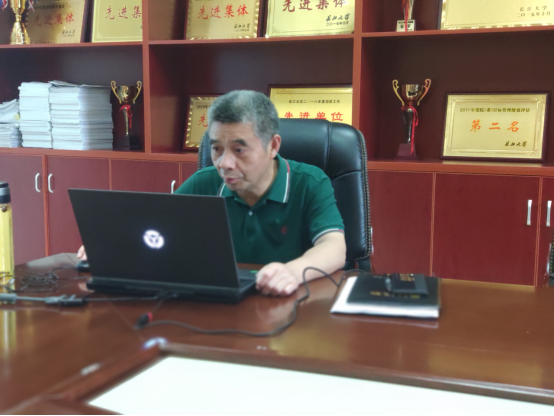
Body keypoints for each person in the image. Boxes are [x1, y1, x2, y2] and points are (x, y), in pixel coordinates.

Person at [79, 90, 346, 297]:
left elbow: (334, 246)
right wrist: (113, 246)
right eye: (217, 149)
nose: (224, 163)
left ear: (273, 146)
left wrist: (293, 272)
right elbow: (155, 227)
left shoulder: (310, 183)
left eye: (239, 150)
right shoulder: (205, 182)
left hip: (288, 305)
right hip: (220, 305)